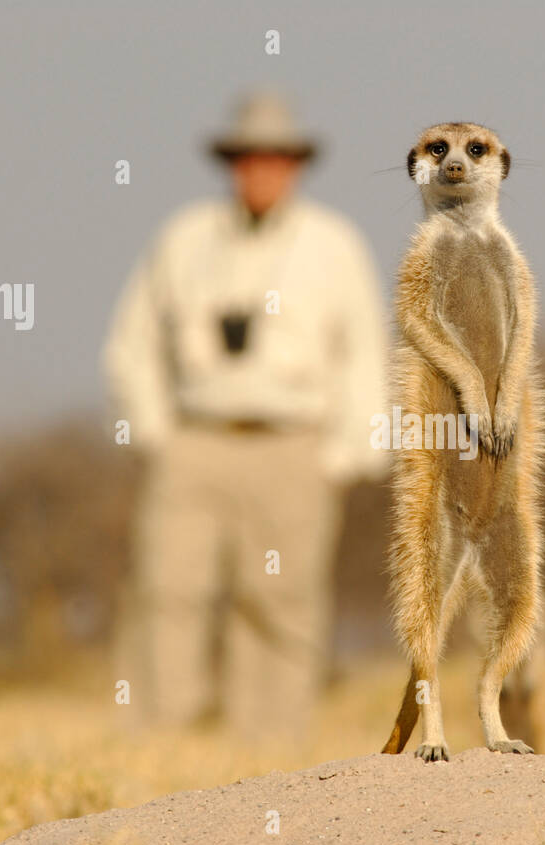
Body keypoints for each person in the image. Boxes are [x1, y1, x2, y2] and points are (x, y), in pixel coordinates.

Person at [104, 91, 387, 738]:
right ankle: (156, 740)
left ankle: (268, 752)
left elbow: (365, 352)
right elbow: (133, 341)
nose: (261, 172)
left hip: (293, 443)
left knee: (282, 598)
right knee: (166, 590)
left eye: (275, 159)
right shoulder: (183, 238)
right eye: (248, 158)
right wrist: (153, 431)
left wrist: (347, 453)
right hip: (195, 438)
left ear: (296, 166)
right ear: (230, 164)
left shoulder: (333, 245)